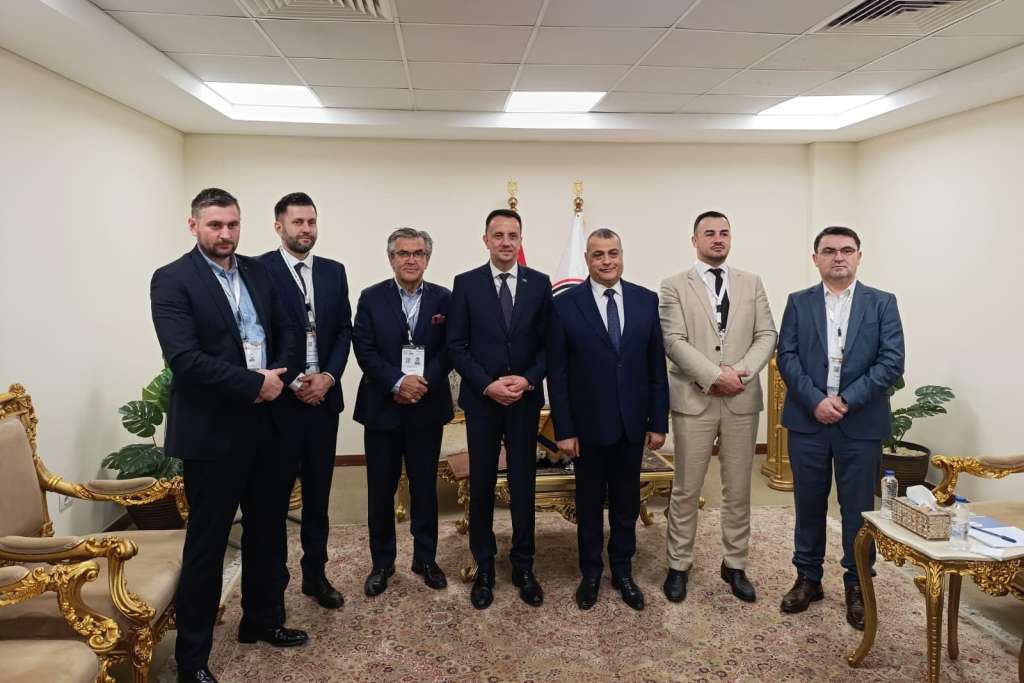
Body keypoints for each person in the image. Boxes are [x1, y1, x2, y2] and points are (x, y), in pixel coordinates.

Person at [151, 188, 306, 683]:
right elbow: (184, 358)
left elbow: (289, 329)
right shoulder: (173, 279)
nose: (225, 234)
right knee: (208, 544)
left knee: (268, 531)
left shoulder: (259, 271)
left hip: (268, 426)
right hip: (213, 434)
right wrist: (252, 384)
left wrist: (276, 377)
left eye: (232, 224)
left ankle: (262, 620)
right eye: (215, 225)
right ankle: (192, 660)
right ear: (193, 225)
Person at [776, 226, 905, 631]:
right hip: (808, 421)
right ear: (815, 258)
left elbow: (891, 360)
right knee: (808, 504)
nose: (838, 257)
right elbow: (787, 355)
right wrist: (816, 400)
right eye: (829, 250)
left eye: (846, 250)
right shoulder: (798, 302)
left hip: (860, 422)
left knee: (858, 510)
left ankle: (857, 585)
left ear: (859, 257)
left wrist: (845, 400)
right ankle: (808, 578)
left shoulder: (882, 303)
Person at [547, 228, 669, 611]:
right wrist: (564, 429)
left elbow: (656, 367)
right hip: (586, 428)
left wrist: (658, 421)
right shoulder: (564, 304)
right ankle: (590, 573)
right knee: (588, 505)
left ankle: (623, 570)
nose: (606, 261)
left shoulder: (645, 300)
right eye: (598, 254)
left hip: (632, 425)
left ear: (621, 255)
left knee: (626, 504)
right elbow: (558, 374)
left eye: (613, 253)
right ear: (587, 259)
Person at [659, 211, 777, 604]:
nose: (718, 239)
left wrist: (739, 373)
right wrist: (713, 376)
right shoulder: (674, 285)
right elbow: (673, 340)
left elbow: (767, 334)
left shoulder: (751, 282)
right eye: (709, 233)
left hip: (741, 398)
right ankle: (679, 565)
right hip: (694, 400)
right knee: (686, 488)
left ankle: (735, 564)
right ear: (694, 240)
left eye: (724, 232)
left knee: (738, 488)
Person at [447, 208, 552, 610]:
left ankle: (524, 566)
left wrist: (527, 380)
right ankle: (485, 565)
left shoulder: (539, 283)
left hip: (524, 401)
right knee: (482, 483)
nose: (506, 242)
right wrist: (487, 384)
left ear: (520, 240)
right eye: (498, 235)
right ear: (486, 239)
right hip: (483, 401)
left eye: (513, 235)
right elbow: (457, 345)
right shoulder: (466, 284)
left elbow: (549, 346)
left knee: (524, 484)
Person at [258, 192, 352, 610]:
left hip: (323, 403)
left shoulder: (333, 271)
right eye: (298, 222)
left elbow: (344, 330)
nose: (306, 230)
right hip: (281, 403)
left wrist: (328, 377)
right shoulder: (258, 269)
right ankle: (275, 584)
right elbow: (259, 334)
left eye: (311, 222)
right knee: (275, 500)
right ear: (279, 226)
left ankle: (316, 575)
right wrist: (296, 380)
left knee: (318, 497)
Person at [352, 227, 453, 596]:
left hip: (427, 406)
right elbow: (364, 349)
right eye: (403, 253)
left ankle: (425, 559)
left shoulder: (445, 299)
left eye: (418, 253)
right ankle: (382, 563)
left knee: (425, 488)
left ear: (427, 258)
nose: (411, 260)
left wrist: (421, 383)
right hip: (383, 407)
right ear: (391, 258)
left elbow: (451, 348)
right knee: (381, 490)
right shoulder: (371, 297)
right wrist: (397, 382)